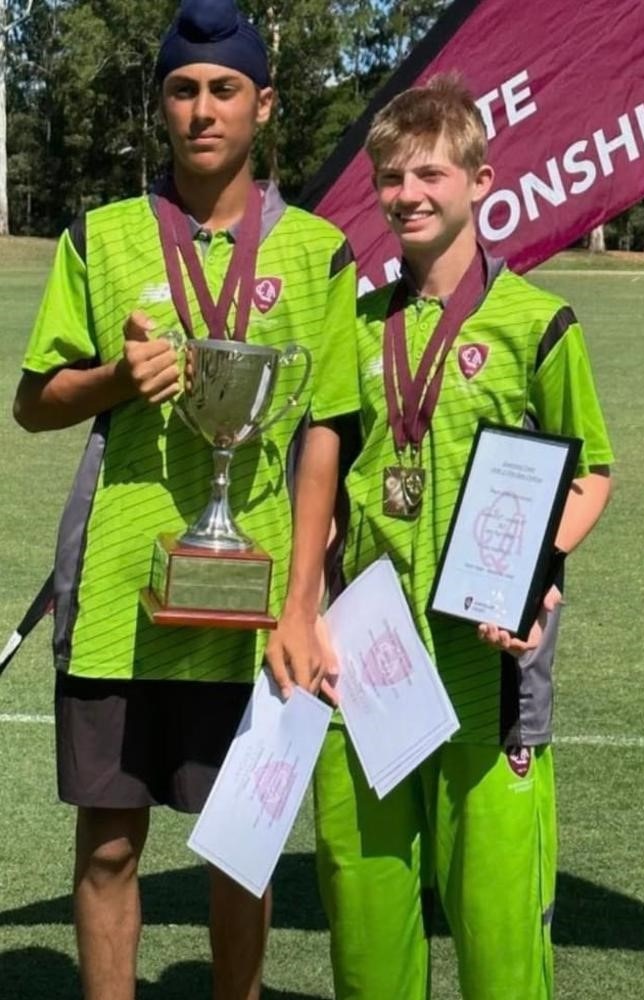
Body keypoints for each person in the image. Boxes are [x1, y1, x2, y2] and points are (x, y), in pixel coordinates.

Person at [12, 1, 358, 998]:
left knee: (236, 851)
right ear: (161, 104)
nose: (202, 109)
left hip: (246, 610)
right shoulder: (102, 236)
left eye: (223, 90)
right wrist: (119, 378)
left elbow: (323, 427)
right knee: (111, 849)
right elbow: (35, 403)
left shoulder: (315, 251)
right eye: (183, 89)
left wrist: (300, 601)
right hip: (118, 595)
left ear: (263, 104)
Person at [314, 74, 613, 1000]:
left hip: (490, 663)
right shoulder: (352, 322)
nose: (407, 195)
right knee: (366, 917)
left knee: (496, 934)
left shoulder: (537, 325)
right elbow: (324, 469)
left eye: (430, 174)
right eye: (391, 178)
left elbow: (591, 471)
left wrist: (535, 572)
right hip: (368, 660)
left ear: (482, 180)